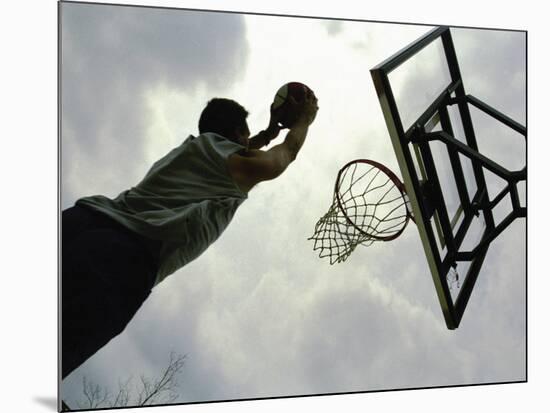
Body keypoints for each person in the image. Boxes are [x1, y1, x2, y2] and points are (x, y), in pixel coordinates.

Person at [62, 87, 319, 378]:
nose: (250, 143)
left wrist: (269, 131)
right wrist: (303, 122)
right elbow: (282, 158)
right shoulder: (231, 163)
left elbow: (242, 148)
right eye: (245, 136)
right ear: (235, 134)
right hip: (119, 257)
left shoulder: (195, 150)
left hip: (81, 220)